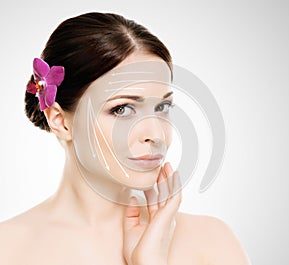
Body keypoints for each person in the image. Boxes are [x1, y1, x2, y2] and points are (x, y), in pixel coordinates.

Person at [0, 12, 250, 264]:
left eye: (162, 107)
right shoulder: (7, 248)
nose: (156, 135)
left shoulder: (211, 243)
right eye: (122, 109)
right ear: (60, 120)